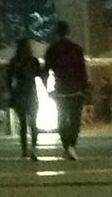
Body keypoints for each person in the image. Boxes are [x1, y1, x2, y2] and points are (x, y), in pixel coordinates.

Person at [44, 21, 88, 160]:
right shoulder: (76, 49)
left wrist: (47, 88)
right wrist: (84, 87)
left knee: (61, 118)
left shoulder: (52, 49)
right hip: (76, 89)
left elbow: (46, 70)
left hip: (61, 89)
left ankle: (66, 144)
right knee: (75, 119)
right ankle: (72, 145)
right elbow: (82, 70)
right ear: (68, 32)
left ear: (57, 32)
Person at [6, 39, 42, 161]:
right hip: (31, 93)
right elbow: (40, 75)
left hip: (19, 93)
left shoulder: (14, 61)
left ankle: (24, 149)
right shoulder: (33, 61)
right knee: (33, 123)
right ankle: (34, 148)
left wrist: (10, 91)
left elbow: (8, 79)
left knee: (22, 124)